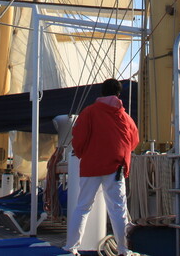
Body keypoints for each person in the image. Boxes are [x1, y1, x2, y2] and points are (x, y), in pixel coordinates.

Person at [64, 79, 139, 256]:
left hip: (91, 166)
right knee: (118, 209)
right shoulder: (125, 118)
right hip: (115, 168)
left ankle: (71, 247)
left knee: (82, 206)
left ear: (102, 93)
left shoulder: (89, 112)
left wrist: (83, 153)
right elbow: (134, 141)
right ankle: (123, 249)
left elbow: (79, 138)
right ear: (119, 95)